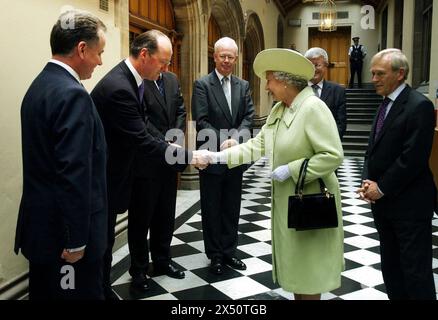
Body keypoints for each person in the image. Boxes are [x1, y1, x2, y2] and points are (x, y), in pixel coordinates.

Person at [210, 48, 344, 300]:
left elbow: (332, 155)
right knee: (296, 272)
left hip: (310, 206)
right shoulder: (280, 109)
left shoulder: (314, 108)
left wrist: (291, 169)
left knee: (310, 273)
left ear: (284, 81)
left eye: (269, 80)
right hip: (288, 205)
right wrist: (216, 157)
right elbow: (258, 145)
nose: (267, 87)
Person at [91, 30, 209, 299]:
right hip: (114, 175)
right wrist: (189, 156)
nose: (167, 68)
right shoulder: (121, 87)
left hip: (136, 164)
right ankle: (106, 288)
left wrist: (174, 145)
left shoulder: (133, 80)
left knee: (106, 242)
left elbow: (172, 114)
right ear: (144, 54)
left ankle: (104, 288)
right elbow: (142, 137)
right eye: (163, 62)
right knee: (104, 243)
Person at [14, 10, 108, 300]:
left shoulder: (39, 85)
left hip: (42, 230)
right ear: (82, 49)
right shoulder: (72, 94)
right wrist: (77, 239)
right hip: (66, 241)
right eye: (99, 52)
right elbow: (74, 173)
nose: (100, 61)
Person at [357, 49, 437, 300]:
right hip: (385, 207)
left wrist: (380, 188)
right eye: (372, 73)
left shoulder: (419, 105)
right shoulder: (385, 103)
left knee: (415, 273)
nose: (374, 79)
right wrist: (367, 180)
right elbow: (374, 148)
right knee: (392, 270)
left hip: (410, 207)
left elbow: (411, 159)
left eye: (380, 73)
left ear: (400, 73)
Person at [191, 37, 255, 275]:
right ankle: (215, 255)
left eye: (231, 56)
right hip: (212, 157)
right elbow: (202, 120)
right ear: (214, 57)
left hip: (235, 157)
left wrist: (236, 139)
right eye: (222, 56)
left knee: (231, 206)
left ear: (236, 59)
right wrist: (223, 141)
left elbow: (249, 117)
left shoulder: (244, 85)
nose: (227, 60)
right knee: (211, 207)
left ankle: (229, 252)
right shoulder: (202, 85)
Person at [128, 71, 186, 280]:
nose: (165, 65)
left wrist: (177, 140)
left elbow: (180, 110)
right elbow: (142, 119)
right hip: (146, 162)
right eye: (163, 59)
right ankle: (139, 269)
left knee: (165, 216)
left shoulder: (171, 79)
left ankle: (162, 261)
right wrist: (165, 143)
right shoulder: (138, 80)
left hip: (169, 161)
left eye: (168, 61)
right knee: (141, 220)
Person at [304, 47, 346, 140]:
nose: (313, 69)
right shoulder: (297, 89)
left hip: (329, 146)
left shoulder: (338, 91)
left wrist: (327, 145)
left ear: (326, 65)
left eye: (317, 65)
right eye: (310, 65)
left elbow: (341, 125)